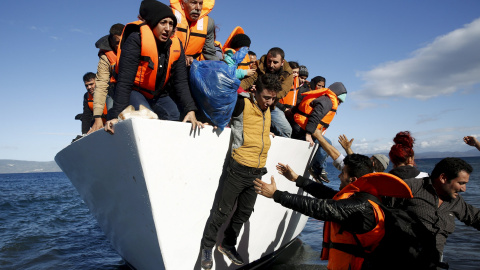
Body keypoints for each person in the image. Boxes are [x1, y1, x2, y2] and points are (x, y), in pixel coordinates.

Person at [254, 154, 413, 270]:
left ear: (353, 180)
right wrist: (297, 179)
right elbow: (326, 194)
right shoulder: (363, 197)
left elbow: (319, 207)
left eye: (343, 173)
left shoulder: (361, 207)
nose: (339, 175)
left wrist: (276, 194)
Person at [200, 74, 282, 270]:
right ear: (255, 91)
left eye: (273, 99)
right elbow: (219, 103)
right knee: (222, 211)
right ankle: (207, 247)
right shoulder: (242, 104)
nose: (269, 103)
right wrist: (207, 121)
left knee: (245, 212)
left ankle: (227, 244)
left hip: (257, 171)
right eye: (266, 98)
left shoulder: (268, 110)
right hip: (238, 167)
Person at [105, 0, 202, 135]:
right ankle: (112, 118)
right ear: (153, 23)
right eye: (163, 23)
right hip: (135, 90)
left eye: (171, 24)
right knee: (145, 117)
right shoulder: (136, 39)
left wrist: (190, 110)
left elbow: (181, 82)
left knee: (174, 114)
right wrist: (116, 116)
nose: (168, 28)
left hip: (158, 93)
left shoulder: (176, 45)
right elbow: (125, 80)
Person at [398, 157, 479, 264]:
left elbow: (476, 218)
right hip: (402, 259)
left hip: (434, 262)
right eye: (461, 183)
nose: (464, 189)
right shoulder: (411, 187)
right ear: (443, 178)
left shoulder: (456, 201)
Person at [290, 81, 347, 183]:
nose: (339, 103)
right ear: (336, 96)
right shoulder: (327, 101)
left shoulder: (324, 98)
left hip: (300, 126)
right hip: (301, 130)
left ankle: (320, 169)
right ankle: (316, 168)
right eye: (339, 101)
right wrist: (308, 134)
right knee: (327, 143)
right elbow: (315, 116)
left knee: (326, 142)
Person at [240, 47, 294, 137]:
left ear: (282, 62)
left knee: (286, 131)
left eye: (275, 62)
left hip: (271, 106)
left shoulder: (288, 73)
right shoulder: (258, 64)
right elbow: (247, 81)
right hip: (254, 101)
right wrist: (235, 88)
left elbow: (282, 92)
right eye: (269, 61)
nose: (271, 65)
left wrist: (260, 90)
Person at [89, 23, 125, 134]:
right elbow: (100, 85)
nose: (120, 46)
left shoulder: (134, 47)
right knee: (111, 119)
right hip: (114, 91)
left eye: (122, 42)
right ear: (111, 41)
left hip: (134, 90)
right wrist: (98, 116)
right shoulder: (105, 57)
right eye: (117, 43)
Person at [170, 0, 219, 66]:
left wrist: (221, 66)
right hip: (168, 62)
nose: (198, 8)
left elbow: (210, 53)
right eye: (193, 3)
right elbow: (161, 44)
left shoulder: (208, 23)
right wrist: (181, 57)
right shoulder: (169, 16)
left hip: (192, 66)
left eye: (200, 4)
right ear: (182, 4)